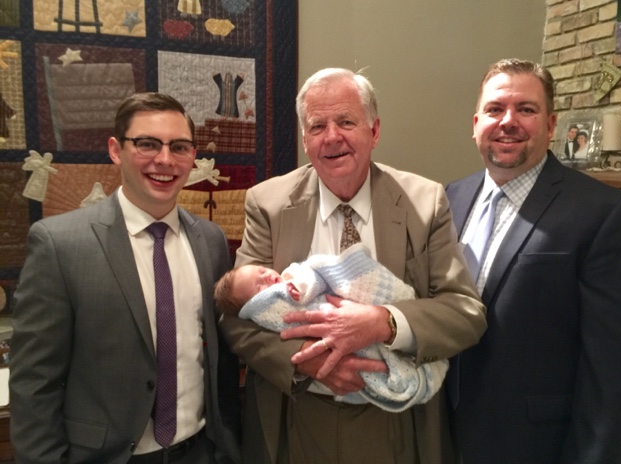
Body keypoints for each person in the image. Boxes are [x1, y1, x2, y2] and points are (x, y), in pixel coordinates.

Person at [220, 67, 487, 464]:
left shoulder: (424, 202)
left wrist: (384, 322)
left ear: (374, 131)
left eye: (346, 122)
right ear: (305, 140)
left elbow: (465, 313)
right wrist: (307, 361)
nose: (332, 137)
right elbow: (237, 316)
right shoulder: (268, 204)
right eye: (317, 126)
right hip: (297, 415)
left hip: (395, 424)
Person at [9, 92, 241, 463]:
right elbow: (35, 382)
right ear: (116, 150)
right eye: (147, 144)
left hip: (199, 450)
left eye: (179, 147)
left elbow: (218, 357)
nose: (165, 160)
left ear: (192, 156)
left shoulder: (210, 241)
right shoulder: (59, 244)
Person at [445, 58, 621, 464]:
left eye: (526, 109)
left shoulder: (605, 213)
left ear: (551, 125)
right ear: (476, 124)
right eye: (495, 109)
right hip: (444, 436)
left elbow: (613, 372)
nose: (508, 121)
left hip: (536, 446)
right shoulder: (449, 199)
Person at [215, 243, 449, 412]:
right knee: (371, 365)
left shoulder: (292, 276)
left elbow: (312, 275)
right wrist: (305, 356)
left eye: (262, 271)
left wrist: (384, 321)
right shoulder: (264, 307)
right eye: (258, 287)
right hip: (308, 405)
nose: (267, 278)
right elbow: (238, 325)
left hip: (374, 311)